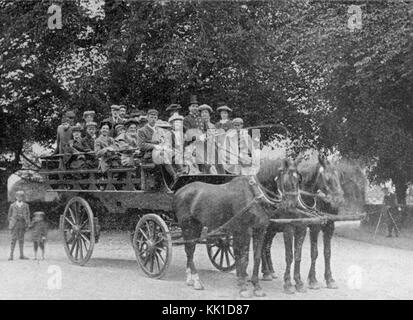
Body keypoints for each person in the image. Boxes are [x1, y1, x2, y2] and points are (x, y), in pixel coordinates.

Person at [137, 109, 179, 180]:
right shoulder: (142, 131)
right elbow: (141, 145)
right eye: (151, 117)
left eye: (155, 118)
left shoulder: (160, 129)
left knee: (177, 154)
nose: (153, 119)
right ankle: (174, 176)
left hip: (163, 151)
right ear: (147, 118)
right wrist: (155, 146)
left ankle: (181, 173)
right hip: (149, 155)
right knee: (164, 156)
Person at [8, 190, 30, 260]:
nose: (20, 198)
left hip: (22, 223)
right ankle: (11, 255)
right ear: (16, 197)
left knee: (21, 239)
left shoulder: (26, 205)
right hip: (15, 224)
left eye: (21, 196)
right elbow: (9, 216)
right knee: (13, 239)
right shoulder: (12, 205)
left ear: (23, 197)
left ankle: (21, 255)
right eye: (18, 196)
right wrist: (11, 223)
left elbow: (28, 215)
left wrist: (27, 224)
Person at [197, 104, 217, 174]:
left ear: (209, 114)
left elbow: (214, 138)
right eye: (202, 113)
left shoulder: (212, 125)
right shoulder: (198, 125)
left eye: (206, 112)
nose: (204, 114)